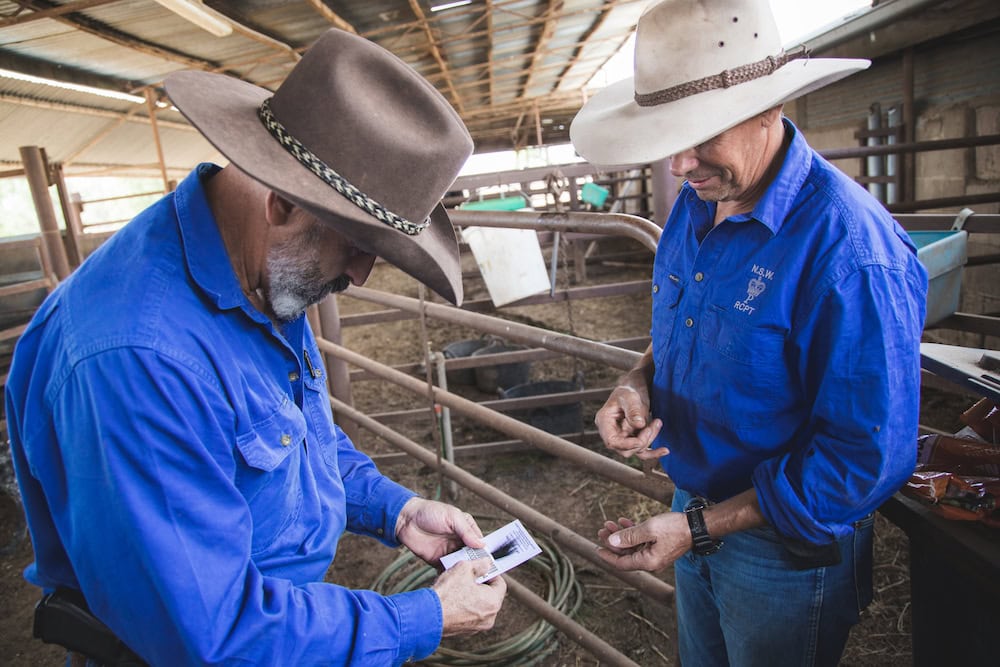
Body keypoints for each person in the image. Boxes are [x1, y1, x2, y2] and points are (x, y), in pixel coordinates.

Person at [5, 29, 506, 666]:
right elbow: (212, 634)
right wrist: (423, 616)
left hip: (283, 626)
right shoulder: (137, 357)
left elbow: (293, 441)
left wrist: (397, 510)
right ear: (282, 203)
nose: (358, 276)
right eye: (354, 245)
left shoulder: (262, 274)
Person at [570, 1, 928, 665]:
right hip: (693, 505)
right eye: (670, 137)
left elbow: (863, 456)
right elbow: (693, 317)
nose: (681, 162)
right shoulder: (697, 201)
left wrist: (700, 524)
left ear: (771, 107)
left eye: (702, 133)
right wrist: (636, 378)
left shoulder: (850, 251)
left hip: (782, 544)